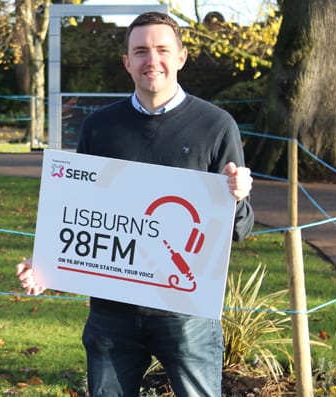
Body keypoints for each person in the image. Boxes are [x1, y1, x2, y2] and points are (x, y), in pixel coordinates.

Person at [16, 12, 254, 397]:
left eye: (162, 49)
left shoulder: (217, 125)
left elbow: (240, 228)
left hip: (185, 311)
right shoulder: (100, 127)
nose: (151, 60)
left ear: (181, 57)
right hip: (112, 312)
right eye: (140, 51)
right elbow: (80, 213)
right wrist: (47, 264)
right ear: (126, 62)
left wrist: (237, 198)